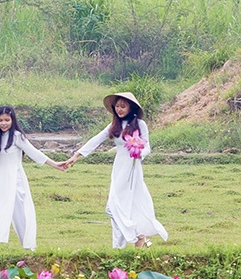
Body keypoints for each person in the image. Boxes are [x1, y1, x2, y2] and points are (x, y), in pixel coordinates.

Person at [60, 91, 167, 249]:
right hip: (119, 167)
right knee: (115, 207)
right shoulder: (114, 125)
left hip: (132, 168)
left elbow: (147, 146)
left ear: (131, 108)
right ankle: (130, 239)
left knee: (114, 207)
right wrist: (76, 155)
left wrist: (139, 153)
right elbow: (96, 139)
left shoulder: (140, 125)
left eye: (123, 106)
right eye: (117, 106)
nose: (119, 109)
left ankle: (134, 237)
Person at [0, 105, 57, 250]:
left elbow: (34, 153)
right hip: (3, 181)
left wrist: (56, 165)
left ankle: (28, 245)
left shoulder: (17, 136)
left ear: (13, 120)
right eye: (1, 120)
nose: (4, 123)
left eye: (7, 120)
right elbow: (0, 163)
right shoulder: (0, 138)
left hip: (16, 180)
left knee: (21, 212)